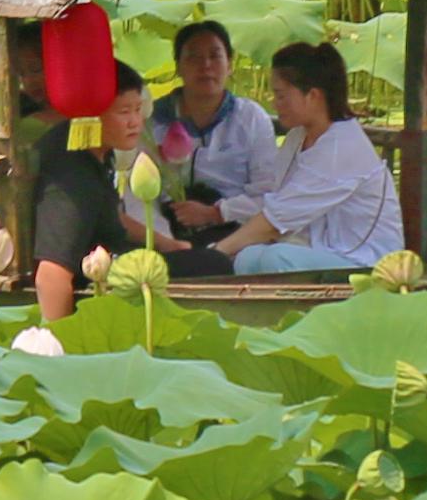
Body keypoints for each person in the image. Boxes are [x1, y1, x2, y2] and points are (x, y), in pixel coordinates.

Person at [210, 42, 405, 277]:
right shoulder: (296, 138)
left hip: (362, 262)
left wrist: (215, 254)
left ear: (313, 96)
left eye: (281, 95)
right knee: (247, 258)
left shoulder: (341, 147)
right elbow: (278, 203)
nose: (274, 103)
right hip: (316, 249)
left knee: (276, 259)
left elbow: (275, 221)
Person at [22, 61, 167, 323]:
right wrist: (59, 349)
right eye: (124, 112)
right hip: (99, 283)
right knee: (210, 265)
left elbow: (105, 216)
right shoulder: (72, 175)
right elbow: (51, 274)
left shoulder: (95, 150)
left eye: (137, 109)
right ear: (90, 115)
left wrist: (169, 244)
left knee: (204, 259)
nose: (135, 122)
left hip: (113, 266)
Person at [153, 19, 281, 243]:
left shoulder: (251, 118)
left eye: (215, 56)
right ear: (178, 66)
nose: (205, 66)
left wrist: (216, 213)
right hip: (165, 230)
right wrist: (166, 241)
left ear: (229, 65)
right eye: (194, 57)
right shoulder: (153, 120)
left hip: (235, 231)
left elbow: (267, 195)